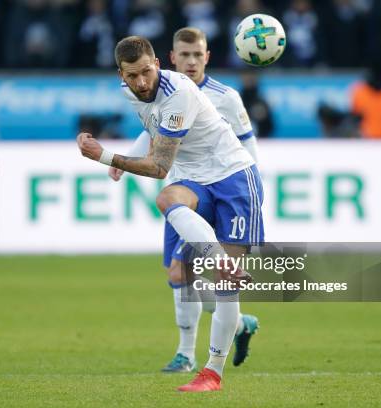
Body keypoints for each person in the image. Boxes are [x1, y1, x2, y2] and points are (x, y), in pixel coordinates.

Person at [77, 36, 264, 392]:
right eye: (133, 76)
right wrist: (125, 155)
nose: (142, 82)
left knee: (225, 289)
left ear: (159, 64)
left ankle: (213, 372)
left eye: (147, 72)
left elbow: (161, 165)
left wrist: (106, 157)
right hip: (195, 179)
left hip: (234, 177)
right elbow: (153, 131)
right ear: (122, 75)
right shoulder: (131, 92)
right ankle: (220, 263)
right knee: (167, 201)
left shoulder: (179, 92)